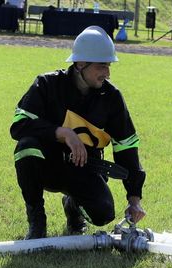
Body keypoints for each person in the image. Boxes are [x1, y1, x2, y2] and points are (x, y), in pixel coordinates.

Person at [10, 26, 147, 240]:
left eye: (109, 65)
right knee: (26, 148)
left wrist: (134, 198)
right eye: (102, 66)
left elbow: (126, 146)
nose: (107, 73)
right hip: (48, 166)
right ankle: (37, 220)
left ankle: (73, 206)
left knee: (103, 214)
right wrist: (62, 133)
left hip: (86, 170)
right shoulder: (47, 85)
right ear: (80, 64)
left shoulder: (112, 98)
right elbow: (19, 125)